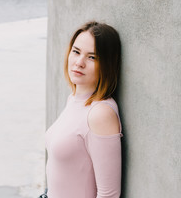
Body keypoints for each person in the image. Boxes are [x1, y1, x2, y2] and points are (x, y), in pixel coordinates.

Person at [44, 21, 123, 198]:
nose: (79, 62)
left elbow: (109, 194)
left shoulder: (100, 114)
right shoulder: (73, 99)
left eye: (92, 57)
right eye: (76, 52)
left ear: (107, 64)